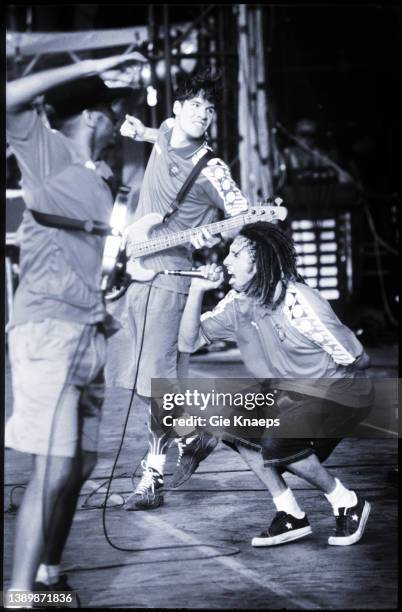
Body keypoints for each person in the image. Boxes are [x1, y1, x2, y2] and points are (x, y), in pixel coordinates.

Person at [5, 51, 145, 601]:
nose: (117, 123)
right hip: (49, 332)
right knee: (53, 470)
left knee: (79, 464)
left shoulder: (98, 180)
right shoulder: (50, 153)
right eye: (111, 111)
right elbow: (10, 95)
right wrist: (96, 64)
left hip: (87, 331)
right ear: (91, 117)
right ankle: (19, 598)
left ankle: (49, 579)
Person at [105, 67, 249, 511]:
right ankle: (191, 435)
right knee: (136, 377)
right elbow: (160, 135)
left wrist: (216, 234)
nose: (204, 115)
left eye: (211, 110)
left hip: (171, 280)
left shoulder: (214, 169)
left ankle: (153, 476)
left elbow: (242, 214)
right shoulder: (167, 129)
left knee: (158, 383)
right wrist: (139, 130)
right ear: (177, 109)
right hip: (139, 273)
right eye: (197, 106)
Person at [176, 222, 373, 546]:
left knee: (278, 440)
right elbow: (190, 341)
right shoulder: (239, 302)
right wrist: (196, 291)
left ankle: (348, 503)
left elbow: (359, 359)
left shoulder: (300, 304)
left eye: (236, 254)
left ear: (260, 261)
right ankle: (290, 513)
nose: (226, 261)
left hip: (341, 393)